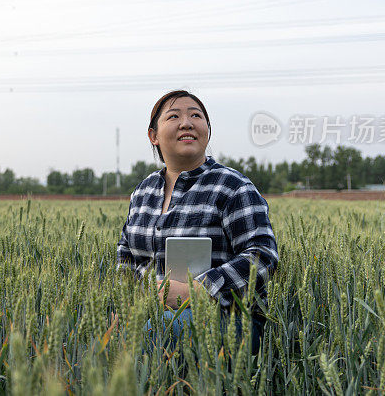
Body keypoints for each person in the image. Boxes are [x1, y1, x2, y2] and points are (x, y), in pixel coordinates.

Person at [116, 90, 279, 354]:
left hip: (227, 318)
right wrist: (136, 299)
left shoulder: (232, 186)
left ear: (207, 131)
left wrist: (200, 291)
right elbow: (125, 258)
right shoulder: (143, 192)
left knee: (154, 334)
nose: (187, 123)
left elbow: (263, 256)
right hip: (152, 314)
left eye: (196, 115)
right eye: (174, 116)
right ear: (153, 136)